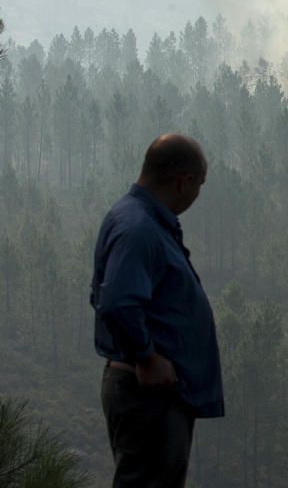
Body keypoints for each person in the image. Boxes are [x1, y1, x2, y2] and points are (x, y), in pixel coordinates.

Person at [91, 134, 224, 488]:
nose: (198, 195)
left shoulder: (142, 221)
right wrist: (147, 357)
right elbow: (117, 300)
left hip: (156, 396)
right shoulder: (139, 228)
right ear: (184, 181)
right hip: (147, 395)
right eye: (200, 185)